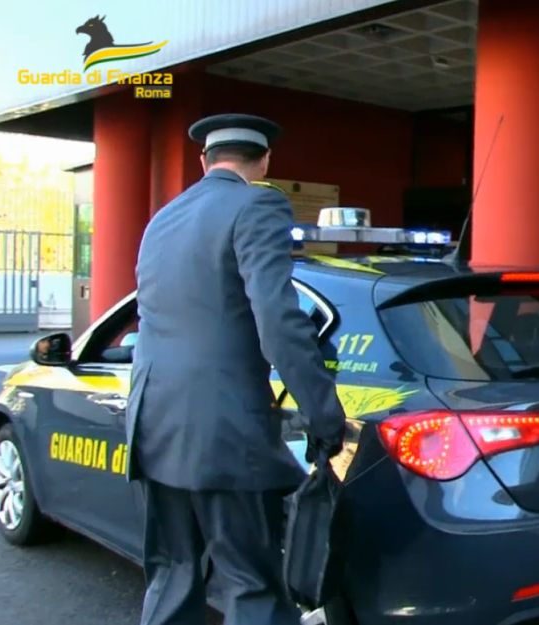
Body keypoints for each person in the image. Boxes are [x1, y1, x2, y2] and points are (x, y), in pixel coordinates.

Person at [125, 113, 347, 625]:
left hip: (154, 426)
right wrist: (322, 414)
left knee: (172, 575)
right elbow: (277, 319)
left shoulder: (162, 219)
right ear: (265, 160)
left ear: (203, 159)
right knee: (252, 586)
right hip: (223, 433)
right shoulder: (258, 204)